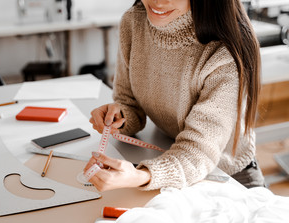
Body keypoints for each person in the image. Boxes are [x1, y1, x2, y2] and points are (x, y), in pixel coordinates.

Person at [84, 0, 265, 191]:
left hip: (228, 177)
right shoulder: (133, 23)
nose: (157, 2)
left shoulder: (224, 55)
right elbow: (128, 102)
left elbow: (198, 152)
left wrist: (142, 175)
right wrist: (121, 116)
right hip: (173, 158)